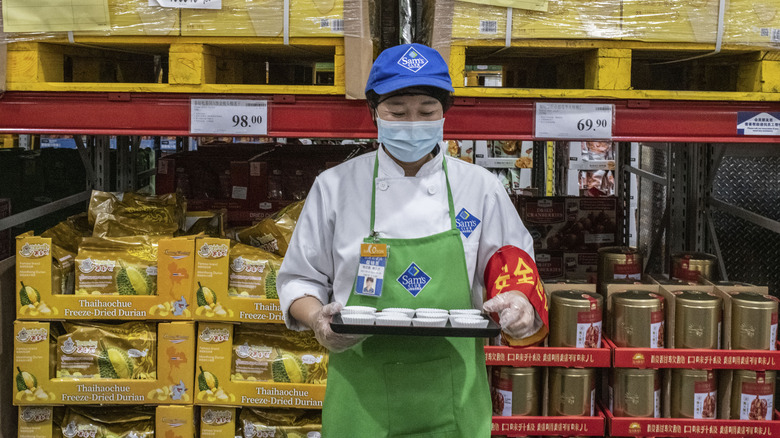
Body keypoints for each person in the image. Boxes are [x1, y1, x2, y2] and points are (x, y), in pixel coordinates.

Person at [278, 43, 548, 437]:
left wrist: (520, 304)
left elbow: (511, 262)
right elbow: (300, 280)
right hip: (360, 395)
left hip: (455, 394)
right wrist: (319, 320)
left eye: (426, 111)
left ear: (444, 114)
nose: (412, 123)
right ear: (374, 113)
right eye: (397, 111)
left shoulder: (479, 188)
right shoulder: (336, 186)